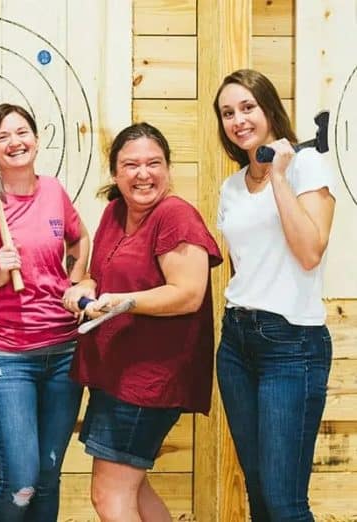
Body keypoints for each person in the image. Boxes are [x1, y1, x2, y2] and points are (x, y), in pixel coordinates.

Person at [64, 122, 222, 522]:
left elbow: (188, 294)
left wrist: (124, 303)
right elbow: (101, 276)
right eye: (131, 165)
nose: (143, 173)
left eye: (154, 163)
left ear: (168, 169)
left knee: (108, 494)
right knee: (133, 490)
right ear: (115, 174)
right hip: (115, 374)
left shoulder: (176, 216)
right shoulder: (116, 212)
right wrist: (81, 288)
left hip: (147, 381)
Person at [0, 103, 89, 522]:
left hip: (64, 354)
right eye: (4, 136)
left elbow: (80, 240)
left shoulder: (54, 192)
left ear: (36, 138)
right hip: (8, 359)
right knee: (21, 480)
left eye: (22, 131)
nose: (16, 141)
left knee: (48, 476)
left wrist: (76, 281)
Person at [214, 69, 336, 521]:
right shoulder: (230, 186)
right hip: (237, 341)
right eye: (228, 113)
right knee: (260, 495)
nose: (238, 120)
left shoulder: (306, 166)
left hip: (292, 345)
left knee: (286, 503)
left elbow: (309, 252)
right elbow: (244, 266)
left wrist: (279, 177)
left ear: (268, 109)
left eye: (247, 107)